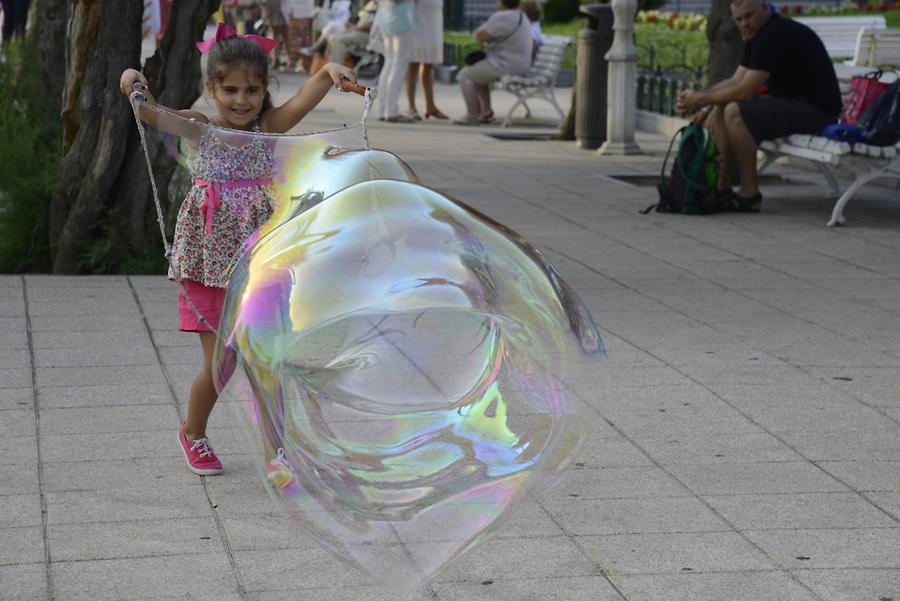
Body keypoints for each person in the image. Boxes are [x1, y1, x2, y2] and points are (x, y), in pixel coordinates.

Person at [119, 23, 354, 476]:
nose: (241, 100)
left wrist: (330, 73)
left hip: (260, 260)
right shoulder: (202, 127)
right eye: (229, 89)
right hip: (207, 263)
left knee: (268, 361)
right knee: (222, 364)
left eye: (251, 90)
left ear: (265, 90)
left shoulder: (268, 126)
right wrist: (132, 77)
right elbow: (154, 114)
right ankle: (193, 432)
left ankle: (277, 451)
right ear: (211, 88)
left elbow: (306, 96)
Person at [676, 0, 841, 212]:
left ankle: (749, 193)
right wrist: (706, 105)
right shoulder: (757, 34)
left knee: (734, 113)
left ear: (764, 8)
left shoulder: (774, 34)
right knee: (720, 107)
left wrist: (699, 99)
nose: (744, 23)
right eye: (739, 19)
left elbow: (745, 90)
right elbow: (735, 80)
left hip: (818, 111)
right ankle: (721, 187)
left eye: (749, 16)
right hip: (794, 105)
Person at [453, 0, 532, 126]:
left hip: (505, 64)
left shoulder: (502, 16)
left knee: (465, 75)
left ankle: (471, 115)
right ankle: (486, 111)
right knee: (479, 74)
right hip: (520, 64)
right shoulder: (522, 16)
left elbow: (480, 36)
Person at [374, 0, 417, 123]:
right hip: (401, 20)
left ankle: (383, 110)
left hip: (385, 19)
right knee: (398, 65)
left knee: (389, 64)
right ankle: (392, 112)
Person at [404, 0, 448, 120]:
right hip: (417, 24)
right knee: (413, 64)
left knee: (429, 64)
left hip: (434, 22)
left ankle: (430, 106)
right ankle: (411, 107)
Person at [263, 0, 292, 70]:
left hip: (278, 5)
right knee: (283, 35)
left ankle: (278, 60)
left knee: (278, 35)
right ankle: (280, 60)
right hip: (277, 5)